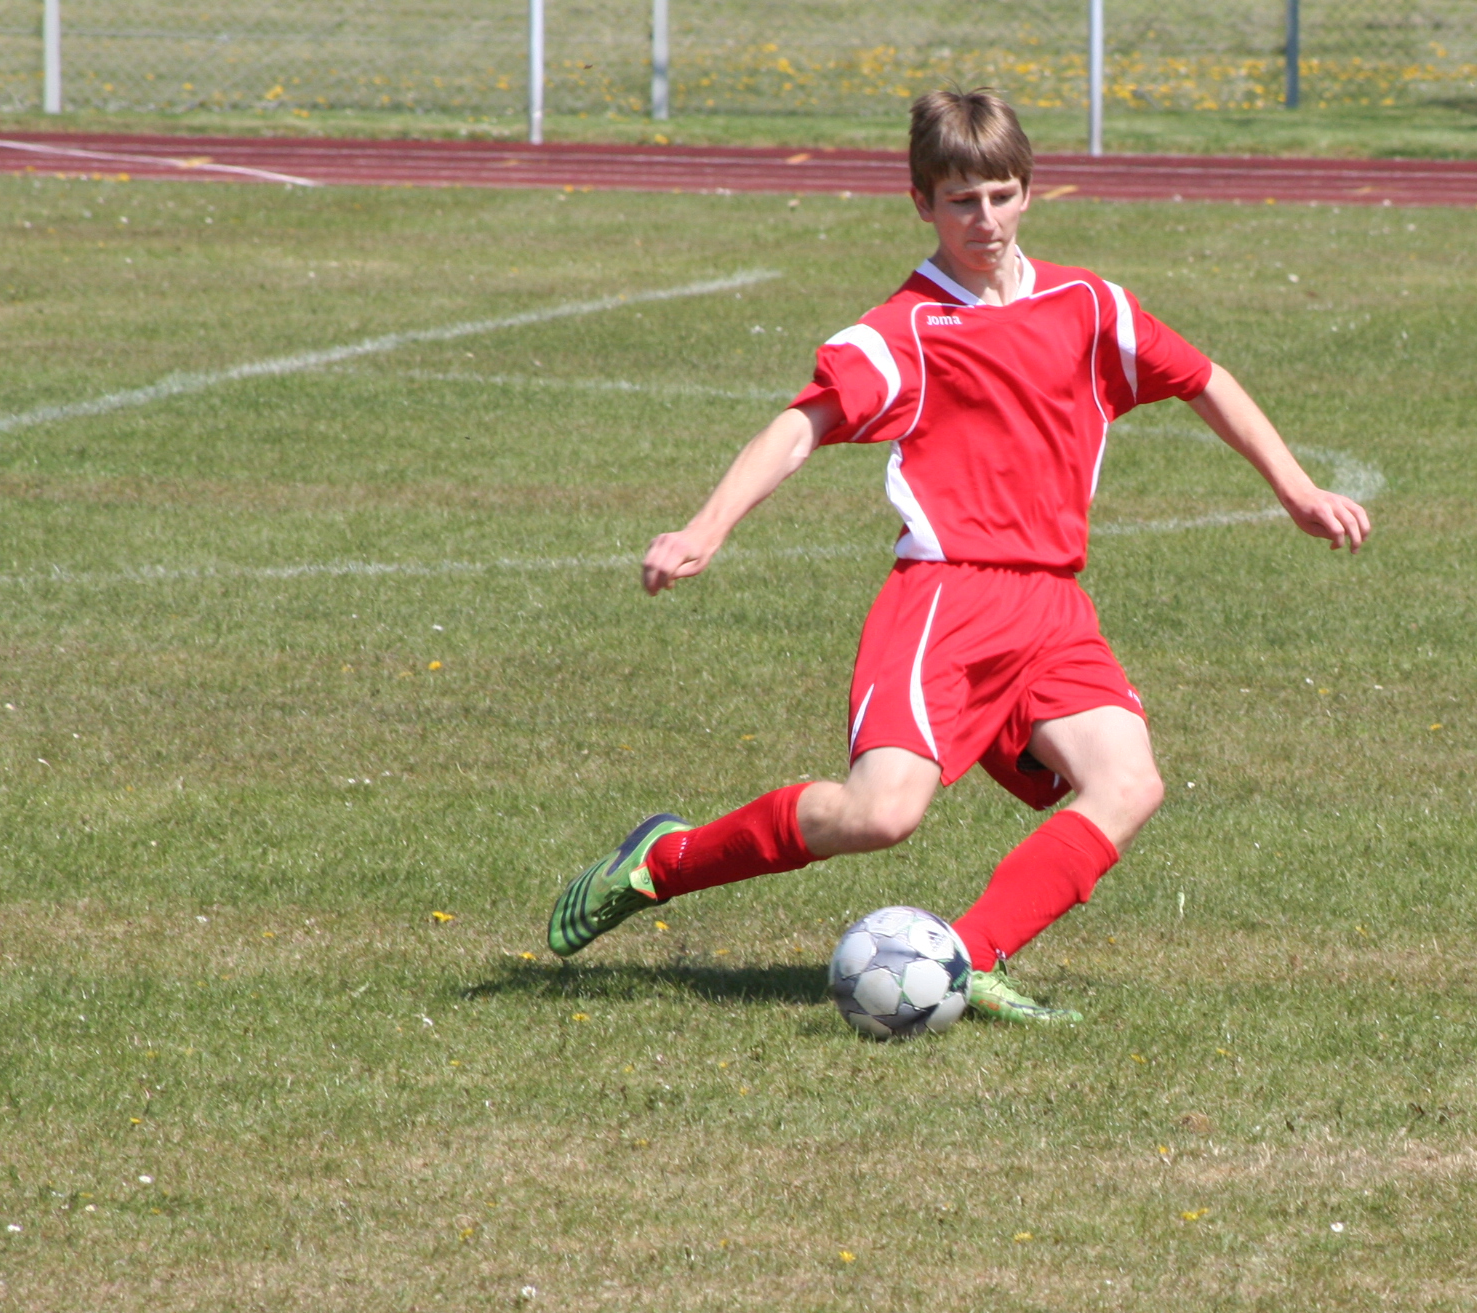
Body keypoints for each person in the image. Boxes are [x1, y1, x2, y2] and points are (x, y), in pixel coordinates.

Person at [545, 87, 1370, 1023]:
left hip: (1053, 608)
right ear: (922, 203)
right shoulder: (907, 329)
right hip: (947, 602)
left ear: (1030, 191)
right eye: (961, 201)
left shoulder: (1089, 306)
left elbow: (1203, 378)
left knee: (1129, 782)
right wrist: (706, 527)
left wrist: (1296, 489)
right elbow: (801, 425)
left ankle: (971, 958)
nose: (986, 220)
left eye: (1003, 195)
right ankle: (661, 861)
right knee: (879, 815)